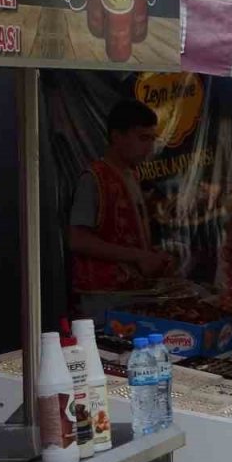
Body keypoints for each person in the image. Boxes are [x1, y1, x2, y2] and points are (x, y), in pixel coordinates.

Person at [69, 99, 173, 317]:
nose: (150, 147)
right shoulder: (94, 178)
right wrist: (138, 256)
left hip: (132, 294)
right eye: (143, 138)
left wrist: (150, 255)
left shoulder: (132, 175)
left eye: (152, 139)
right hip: (103, 300)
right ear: (117, 137)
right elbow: (77, 240)